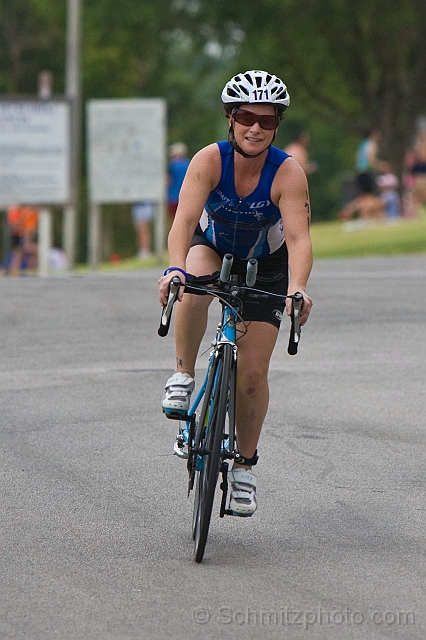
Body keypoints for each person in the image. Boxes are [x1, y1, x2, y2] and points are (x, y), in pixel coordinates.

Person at [158, 70, 313, 516]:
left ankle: (244, 466)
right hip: (213, 248)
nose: (255, 128)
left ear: (278, 125)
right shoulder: (209, 161)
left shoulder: (287, 172)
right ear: (231, 118)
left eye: (267, 120)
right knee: (191, 279)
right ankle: (184, 375)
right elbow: (184, 224)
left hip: (267, 266)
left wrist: (297, 288)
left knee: (251, 378)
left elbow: (300, 240)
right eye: (246, 116)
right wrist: (172, 268)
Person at [6, 205, 39, 274]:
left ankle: (30, 271)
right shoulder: (17, 209)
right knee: (19, 253)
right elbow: (14, 224)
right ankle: (15, 273)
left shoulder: (26, 210)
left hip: (22, 232)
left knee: (20, 253)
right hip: (20, 233)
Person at [167, 142, 190, 225]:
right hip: (186, 197)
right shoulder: (188, 164)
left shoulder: (172, 165)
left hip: (172, 197)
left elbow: (168, 180)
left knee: (173, 222)